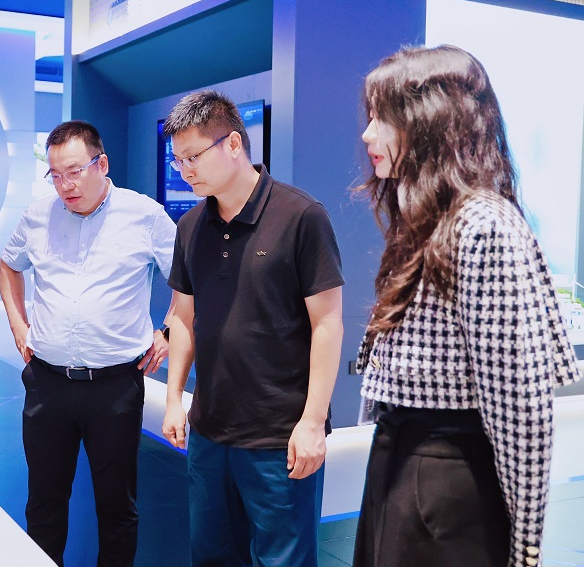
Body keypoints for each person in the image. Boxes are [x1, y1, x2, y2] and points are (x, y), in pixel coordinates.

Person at [352, 45, 581, 567]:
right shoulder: (433, 220)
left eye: (382, 117)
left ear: (429, 120)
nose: (367, 135)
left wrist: (525, 544)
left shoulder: (484, 225)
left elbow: (520, 405)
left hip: (448, 479)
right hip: (403, 461)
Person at [161, 90, 344, 567]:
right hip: (209, 433)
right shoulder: (191, 226)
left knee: (282, 560)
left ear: (233, 144)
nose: (186, 171)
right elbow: (183, 316)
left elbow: (328, 323)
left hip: (279, 437)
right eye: (179, 161)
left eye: (194, 157)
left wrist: (312, 422)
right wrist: (174, 398)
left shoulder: (301, 216)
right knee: (211, 557)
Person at [0, 120, 176, 566]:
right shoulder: (38, 216)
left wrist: (168, 330)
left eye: (74, 172)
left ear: (103, 164)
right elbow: (9, 265)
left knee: (117, 506)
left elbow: (187, 279)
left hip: (115, 387)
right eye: (55, 175)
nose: (65, 185)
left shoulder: (145, 215)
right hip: (47, 383)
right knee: (43, 501)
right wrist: (19, 326)